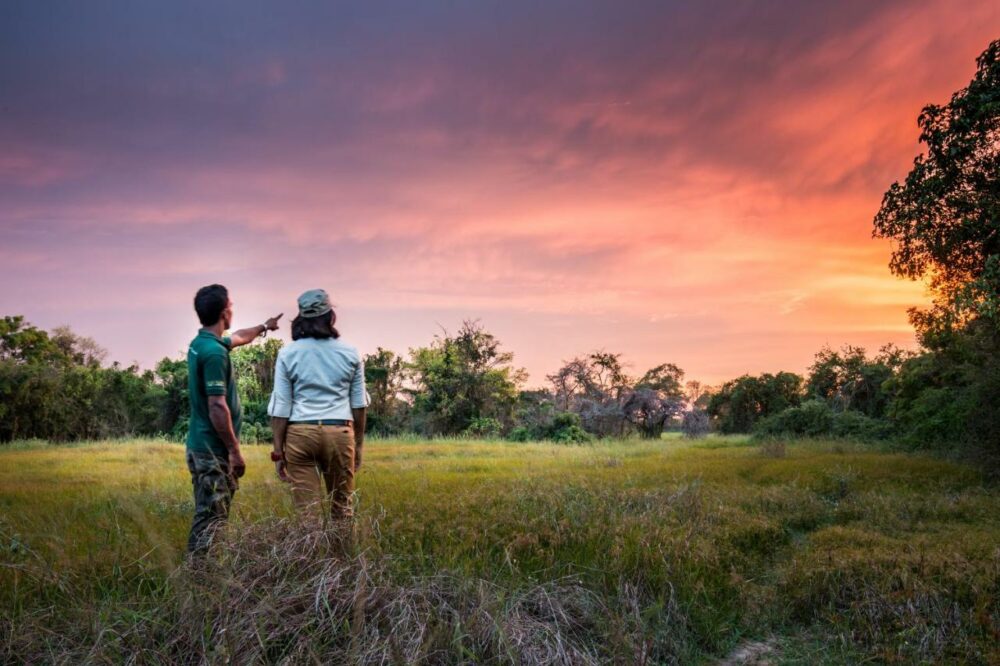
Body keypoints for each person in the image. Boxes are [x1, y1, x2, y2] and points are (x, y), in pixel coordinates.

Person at [186, 284, 282, 554]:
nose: (232, 309)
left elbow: (239, 336)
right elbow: (217, 406)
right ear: (224, 311)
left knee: (209, 514)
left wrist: (265, 326)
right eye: (231, 305)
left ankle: (202, 576)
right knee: (210, 520)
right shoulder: (214, 353)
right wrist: (234, 452)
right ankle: (200, 581)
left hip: (199, 445)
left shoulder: (202, 344)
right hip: (212, 450)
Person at [268, 289, 368, 522]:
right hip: (340, 433)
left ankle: (310, 559)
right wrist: (358, 446)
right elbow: (359, 405)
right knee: (342, 512)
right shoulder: (350, 352)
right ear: (330, 315)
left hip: (300, 434)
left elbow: (281, 406)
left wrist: (278, 451)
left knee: (307, 516)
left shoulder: (287, 353)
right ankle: (344, 559)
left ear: (301, 317)